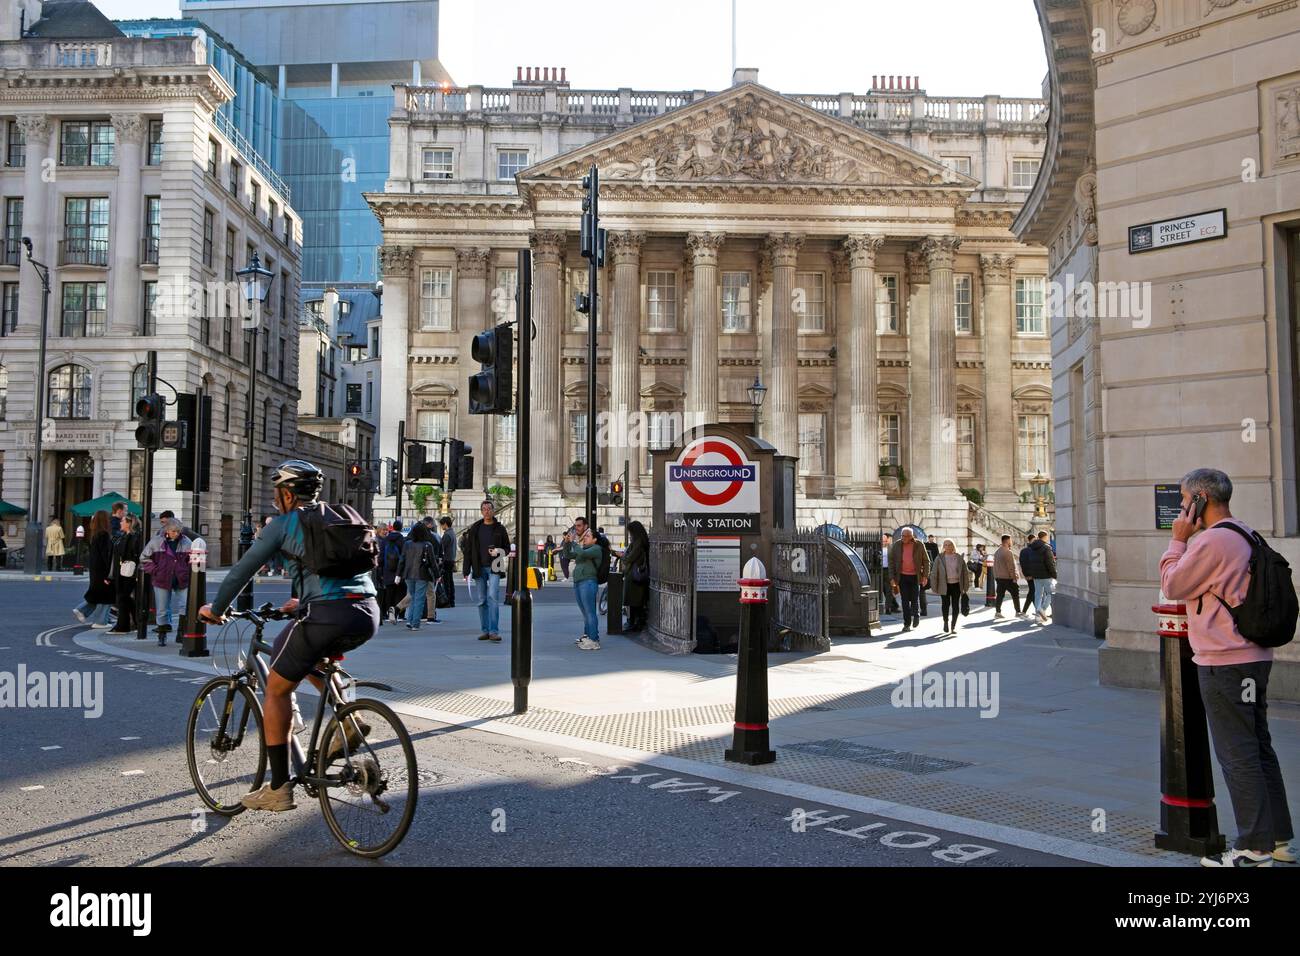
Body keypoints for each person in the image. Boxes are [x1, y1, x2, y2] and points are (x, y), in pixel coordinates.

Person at [200, 459, 380, 812]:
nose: (274, 498)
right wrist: (302, 599)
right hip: (367, 612)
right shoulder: (340, 514)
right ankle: (349, 718)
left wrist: (216, 609)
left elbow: (241, 571)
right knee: (305, 656)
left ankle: (279, 787)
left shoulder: (283, 525)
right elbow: (335, 568)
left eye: (276, 491)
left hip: (327, 614)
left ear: (286, 493)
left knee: (277, 688)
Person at [1159, 468, 1294, 868]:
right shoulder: (1245, 532)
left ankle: (1253, 847)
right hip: (1253, 657)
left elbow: (1173, 584)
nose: (1181, 509)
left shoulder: (1213, 541)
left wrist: (1177, 540)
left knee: (1238, 755)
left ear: (1200, 499)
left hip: (1224, 661)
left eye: (1184, 501)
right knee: (1259, 749)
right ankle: (1280, 839)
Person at [462, 499, 510, 643]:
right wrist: (466, 569)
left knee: (492, 597)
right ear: (481, 511)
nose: (487, 511)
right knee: (482, 600)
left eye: (489, 508)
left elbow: (507, 548)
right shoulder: (475, 528)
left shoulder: (500, 528)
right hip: (478, 567)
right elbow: (468, 550)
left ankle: (494, 631)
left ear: (493, 511)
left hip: (495, 566)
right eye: (484, 509)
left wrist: (498, 551)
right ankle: (485, 630)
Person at [141, 519, 192, 645]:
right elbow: (144, 558)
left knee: (185, 605)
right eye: (174, 531)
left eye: (178, 531)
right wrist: (155, 570)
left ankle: (181, 632)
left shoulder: (186, 542)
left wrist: (187, 570)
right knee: (162, 609)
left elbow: (192, 559)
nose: (176, 533)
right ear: (167, 530)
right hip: (162, 578)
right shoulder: (156, 541)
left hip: (181, 578)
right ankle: (162, 634)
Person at [564, 516, 604, 650]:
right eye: (585, 536)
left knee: (590, 611)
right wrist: (567, 543)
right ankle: (589, 636)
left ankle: (594, 639)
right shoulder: (584, 549)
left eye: (588, 536)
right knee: (585, 612)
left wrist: (574, 542)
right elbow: (569, 555)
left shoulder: (596, 549)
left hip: (588, 582)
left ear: (594, 539)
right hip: (579, 581)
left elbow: (580, 553)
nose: (585, 538)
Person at [72, 510, 115, 627]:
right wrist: (109, 574)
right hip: (102, 570)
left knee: (98, 594)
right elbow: (105, 555)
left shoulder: (95, 534)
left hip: (96, 570)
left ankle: (83, 610)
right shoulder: (104, 535)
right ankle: (100, 621)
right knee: (106, 596)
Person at [398, 521, 439, 629]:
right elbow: (433, 563)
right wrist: (437, 575)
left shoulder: (407, 544)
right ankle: (415, 623)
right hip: (422, 574)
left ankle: (410, 620)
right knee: (419, 599)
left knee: (413, 597)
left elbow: (402, 560)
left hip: (408, 574)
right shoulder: (427, 545)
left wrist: (398, 574)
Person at [888, 527, 929, 633]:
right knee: (905, 601)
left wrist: (925, 576)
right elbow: (891, 562)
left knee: (915, 599)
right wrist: (892, 578)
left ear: (912, 536)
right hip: (902, 576)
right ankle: (906, 624)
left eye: (907, 536)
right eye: (903, 535)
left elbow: (926, 561)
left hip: (915, 576)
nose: (904, 538)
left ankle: (916, 615)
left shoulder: (919, 544)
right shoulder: (896, 545)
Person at [931, 538, 972, 637]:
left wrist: (966, 586)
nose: (948, 546)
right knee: (945, 605)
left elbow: (965, 573)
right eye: (945, 545)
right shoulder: (939, 558)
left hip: (956, 585)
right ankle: (945, 622)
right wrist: (934, 586)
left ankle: (953, 626)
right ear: (943, 547)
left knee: (955, 606)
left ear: (953, 546)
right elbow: (934, 573)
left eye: (950, 545)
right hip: (944, 585)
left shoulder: (959, 557)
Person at [109, 513, 143, 634]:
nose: (120, 523)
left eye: (123, 521)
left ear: (129, 523)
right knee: (126, 598)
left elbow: (135, 555)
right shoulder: (123, 536)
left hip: (130, 572)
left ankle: (122, 626)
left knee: (123, 597)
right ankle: (137, 622)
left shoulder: (135, 537)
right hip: (122, 571)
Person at [621, 521, 650, 632]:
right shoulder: (639, 541)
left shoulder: (638, 543)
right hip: (635, 574)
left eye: (630, 532)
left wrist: (623, 556)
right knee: (635, 602)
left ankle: (634, 623)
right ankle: (634, 622)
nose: (629, 534)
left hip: (635, 575)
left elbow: (629, 558)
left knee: (634, 602)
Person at [376, 520, 405, 624]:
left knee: (389, 593)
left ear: (392, 528)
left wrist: (381, 570)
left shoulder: (386, 540)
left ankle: (389, 614)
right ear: (401, 528)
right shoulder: (402, 539)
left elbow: (381, 558)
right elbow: (404, 556)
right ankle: (400, 615)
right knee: (400, 592)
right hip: (399, 570)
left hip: (387, 570)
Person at [1025, 530, 1057, 624]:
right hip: (1046, 575)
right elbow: (1050, 563)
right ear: (1045, 537)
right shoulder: (1047, 548)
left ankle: (1038, 616)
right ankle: (1042, 609)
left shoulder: (1031, 548)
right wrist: (1054, 574)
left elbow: (1030, 562)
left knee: (1038, 594)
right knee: (1050, 593)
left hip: (1036, 575)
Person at [992, 534, 1022, 619]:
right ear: (1007, 541)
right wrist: (1014, 577)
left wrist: (996, 576)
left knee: (1000, 595)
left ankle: (998, 612)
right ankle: (1018, 611)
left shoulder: (997, 552)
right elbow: (1011, 567)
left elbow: (994, 566)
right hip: (1007, 578)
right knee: (1015, 593)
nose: (1011, 542)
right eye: (1010, 540)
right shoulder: (1008, 552)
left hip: (999, 577)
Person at [439, 517, 457, 609]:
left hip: (446, 560)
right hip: (451, 559)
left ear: (445, 524)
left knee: (446, 582)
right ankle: (452, 600)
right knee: (450, 581)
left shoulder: (446, 535)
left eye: (442, 524)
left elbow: (441, 547)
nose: (441, 526)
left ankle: (448, 601)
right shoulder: (452, 533)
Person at [1019, 534, 1038, 619]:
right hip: (1032, 575)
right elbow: (1025, 564)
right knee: (1033, 592)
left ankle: (1028, 611)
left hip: (1030, 575)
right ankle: (1038, 611)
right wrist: (1029, 575)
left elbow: (1023, 564)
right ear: (1030, 540)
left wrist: (1026, 575)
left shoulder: (1025, 551)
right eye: (1034, 540)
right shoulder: (1030, 551)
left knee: (1032, 592)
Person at [880, 533, 899, 615]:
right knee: (883, 589)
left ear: (887, 540)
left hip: (889, 571)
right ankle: (894, 605)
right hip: (879, 571)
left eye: (884, 540)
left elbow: (895, 560)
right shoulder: (877, 548)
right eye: (882, 541)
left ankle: (888, 608)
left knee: (888, 590)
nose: (883, 542)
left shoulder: (891, 548)